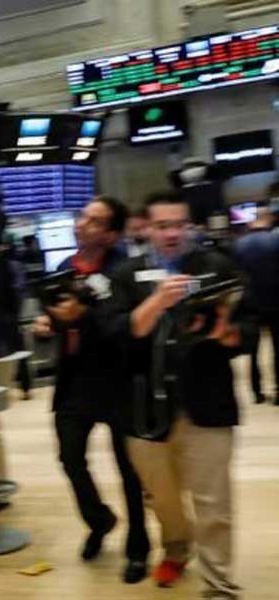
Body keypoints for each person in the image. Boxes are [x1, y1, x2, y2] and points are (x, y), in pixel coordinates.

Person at [108, 190, 256, 598]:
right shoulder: (126, 275)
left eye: (178, 224)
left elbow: (249, 330)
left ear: (189, 225)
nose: (171, 233)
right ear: (147, 228)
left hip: (206, 403)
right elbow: (119, 334)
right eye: (162, 225)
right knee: (161, 497)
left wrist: (224, 332)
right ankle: (176, 548)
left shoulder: (219, 268)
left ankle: (219, 582)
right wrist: (158, 300)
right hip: (144, 410)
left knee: (213, 502)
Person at [33, 196, 149, 583]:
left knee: (130, 471)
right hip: (73, 382)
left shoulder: (126, 273)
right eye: (83, 217)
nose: (83, 224)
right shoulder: (65, 268)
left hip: (117, 379)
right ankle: (99, 520)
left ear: (112, 234)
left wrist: (85, 316)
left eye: (95, 221)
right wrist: (47, 325)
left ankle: (138, 548)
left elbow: (126, 329)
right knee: (69, 458)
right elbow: (57, 316)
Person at [234, 206, 279, 404]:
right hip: (276, 302)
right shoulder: (275, 241)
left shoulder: (238, 245)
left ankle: (256, 392)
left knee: (252, 349)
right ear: (268, 219)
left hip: (249, 303)